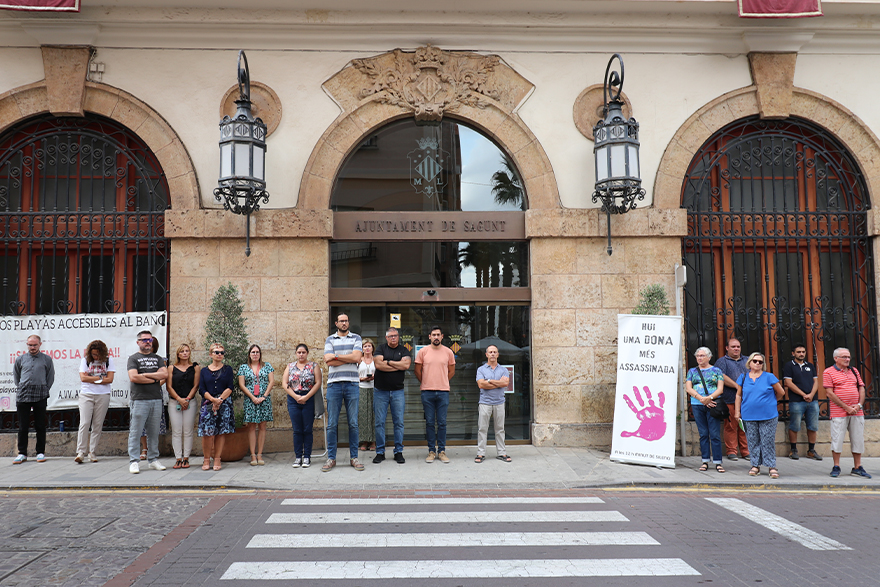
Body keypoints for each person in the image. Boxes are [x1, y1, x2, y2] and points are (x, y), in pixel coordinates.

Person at [323, 312, 364, 472]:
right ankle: (331, 458)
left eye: (346, 321)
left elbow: (357, 358)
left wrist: (336, 356)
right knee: (332, 424)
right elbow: (328, 361)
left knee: (353, 423)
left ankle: (354, 457)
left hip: (352, 384)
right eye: (341, 321)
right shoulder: (330, 339)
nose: (344, 323)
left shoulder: (356, 338)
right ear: (336, 323)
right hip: (334, 385)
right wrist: (349, 357)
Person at [823, 347, 871, 479]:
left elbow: (861, 388)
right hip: (839, 412)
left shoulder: (854, 371)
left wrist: (859, 405)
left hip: (857, 412)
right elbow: (829, 393)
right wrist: (846, 407)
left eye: (849, 357)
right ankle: (836, 466)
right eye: (844, 357)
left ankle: (857, 467)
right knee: (837, 439)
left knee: (858, 439)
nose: (847, 359)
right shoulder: (828, 372)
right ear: (836, 358)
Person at [734, 352, 784, 478]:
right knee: (752, 441)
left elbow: (781, 392)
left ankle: (771, 466)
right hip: (748, 415)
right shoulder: (743, 377)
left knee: (767, 441)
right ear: (749, 362)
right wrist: (737, 411)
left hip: (768, 415)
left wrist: (771, 402)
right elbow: (738, 395)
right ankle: (755, 465)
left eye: (760, 362)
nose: (757, 363)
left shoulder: (769, 377)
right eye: (755, 361)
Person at [127, 330, 168, 474]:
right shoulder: (133, 359)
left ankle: (153, 459)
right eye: (144, 340)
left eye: (150, 340)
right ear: (138, 342)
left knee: (153, 431)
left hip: (156, 399)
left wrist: (144, 375)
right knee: (136, 431)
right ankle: (134, 461)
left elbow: (164, 374)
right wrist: (154, 378)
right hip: (139, 399)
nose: (147, 342)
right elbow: (134, 377)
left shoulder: (157, 358)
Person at [415, 326, 456, 462]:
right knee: (430, 423)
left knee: (442, 423)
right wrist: (426, 382)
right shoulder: (423, 351)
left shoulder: (448, 352)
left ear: (442, 336)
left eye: (438, 335)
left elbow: (451, 371)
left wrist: (442, 381)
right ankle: (431, 451)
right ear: (429, 337)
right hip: (427, 392)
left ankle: (442, 451)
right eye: (434, 335)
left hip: (443, 391)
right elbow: (417, 370)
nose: (436, 337)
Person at [12, 335, 55, 464]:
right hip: (23, 394)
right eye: (30, 345)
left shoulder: (46, 359)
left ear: (40, 344)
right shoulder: (20, 359)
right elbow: (16, 376)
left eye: (35, 345)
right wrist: (22, 387)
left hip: (40, 394)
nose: (32, 347)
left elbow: (50, 376)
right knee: (23, 426)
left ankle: (40, 452)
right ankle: (22, 453)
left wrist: (44, 388)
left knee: (40, 425)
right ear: (27, 345)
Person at [372, 327, 412, 464]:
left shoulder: (404, 350)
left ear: (398, 337)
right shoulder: (380, 348)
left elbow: (406, 365)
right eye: (391, 336)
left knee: (398, 422)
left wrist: (388, 362)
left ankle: (398, 452)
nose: (393, 338)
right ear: (386, 338)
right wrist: (397, 365)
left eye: (395, 335)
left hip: (397, 391)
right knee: (379, 423)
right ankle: (380, 452)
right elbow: (378, 365)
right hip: (380, 391)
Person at [684, 347, 726, 473]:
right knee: (703, 434)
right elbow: (688, 388)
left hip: (712, 404)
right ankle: (705, 460)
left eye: (702, 355)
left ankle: (718, 462)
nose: (699, 358)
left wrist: (709, 398)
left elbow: (720, 388)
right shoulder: (692, 371)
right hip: (697, 404)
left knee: (714, 433)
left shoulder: (716, 370)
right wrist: (701, 398)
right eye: (698, 356)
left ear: (709, 357)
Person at [75, 339, 115, 463]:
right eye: (93, 354)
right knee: (84, 423)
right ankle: (80, 452)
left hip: (103, 394)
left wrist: (91, 378)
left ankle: (92, 452)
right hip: (86, 394)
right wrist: (101, 378)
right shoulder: (85, 360)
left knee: (97, 424)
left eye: (98, 354)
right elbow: (83, 378)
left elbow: (110, 379)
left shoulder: (108, 361)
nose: (95, 357)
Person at [198, 342, 236, 471]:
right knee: (207, 433)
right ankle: (206, 459)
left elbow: (230, 387)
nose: (219, 355)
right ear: (211, 354)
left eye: (222, 353)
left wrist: (219, 400)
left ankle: (217, 458)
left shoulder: (228, 369)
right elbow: (202, 389)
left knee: (220, 432)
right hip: (208, 404)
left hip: (223, 403)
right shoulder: (204, 371)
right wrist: (212, 400)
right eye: (216, 352)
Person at [283, 343, 321, 468]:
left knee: (307, 429)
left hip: (308, 398)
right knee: (297, 429)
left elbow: (318, 382)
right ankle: (298, 456)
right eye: (299, 352)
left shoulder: (314, 366)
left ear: (307, 353)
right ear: (296, 353)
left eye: (303, 352)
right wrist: (296, 397)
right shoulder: (290, 366)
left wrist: (306, 397)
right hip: (293, 399)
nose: (301, 354)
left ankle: (307, 457)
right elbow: (284, 383)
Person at [782, 343, 822, 461]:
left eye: (803, 352)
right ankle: (793, 450)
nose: (801, 354)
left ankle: (811, 450)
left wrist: (811, 395)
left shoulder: (810, 365)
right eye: (798, 352)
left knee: (813, 426)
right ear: (793, 353)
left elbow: (816, 382)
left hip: (812, 401)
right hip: (796, 401)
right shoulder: (789, 366)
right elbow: (788, 383)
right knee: (794, 425)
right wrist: (803, 395)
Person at [238, 344, 275, 466]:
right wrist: (253, 397)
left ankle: (260, 454)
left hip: (264, 399)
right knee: (251, 427)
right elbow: (242, 385)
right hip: (250, 400)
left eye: (257, 352)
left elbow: (272, 382)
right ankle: (253, 455)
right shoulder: (244, 367)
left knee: (263, 426)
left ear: (260, 354)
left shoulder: (267, 366)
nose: (255, 354)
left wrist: (264, 396)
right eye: (253, 352)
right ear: (249, 354)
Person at [714, 337, 750, 461]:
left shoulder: (747, 360)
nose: (736, 349)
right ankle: (732, 451)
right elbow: (721, 376)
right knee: (731, 426)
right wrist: (737, 386)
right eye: (733, 346)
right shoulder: (722, 361)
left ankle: (746, 451)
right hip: (729, 399)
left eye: (738, 346)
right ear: (727, 348)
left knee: (745, 426)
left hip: (746, 400)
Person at [166, 343, 200, 469]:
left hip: (189, 402)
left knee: (188, 430)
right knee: (176, 430)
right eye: (182, 351)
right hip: (175, 402)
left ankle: (186, 458)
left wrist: (187, 399)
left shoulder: (195, 367)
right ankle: (178, 458)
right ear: (178, 354)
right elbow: (169, 386)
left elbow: (196, 385)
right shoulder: (171, 368)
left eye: (187, 351)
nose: (185, 353)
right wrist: (179, 399)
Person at [474, 344, 510, 464]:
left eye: (495, 352)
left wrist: (488, 381)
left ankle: (501, 452)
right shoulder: (481, 369)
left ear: (498, 354)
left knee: (500, 429)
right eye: (490, 352)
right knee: (482, 429)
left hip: (499, 402)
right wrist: (498, 383)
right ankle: (481, 453)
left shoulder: (504, 370)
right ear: (486, 355)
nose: (493, 354)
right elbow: (481, 384)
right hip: (485, 403)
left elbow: (505, 384)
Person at [140, 336, 167, 460]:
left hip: (155, 393)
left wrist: (153, 385)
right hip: (141, 393)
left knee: (154, 422)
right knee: (142, 421)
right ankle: (144, 448)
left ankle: (153, 448)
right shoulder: (138, 359)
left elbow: (164, 377)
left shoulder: (160, 360)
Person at [357, 339, 376, 452]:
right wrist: (362, 378)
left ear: (373, 348)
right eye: (365, 346)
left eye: (369, 346)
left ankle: (373, 440)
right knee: (363, 414)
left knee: (374, 414)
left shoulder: (376, 360)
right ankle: (364, 440)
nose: (367, 348)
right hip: (362, 388)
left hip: (374, 388)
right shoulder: (358, 360)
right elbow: (354, 375)